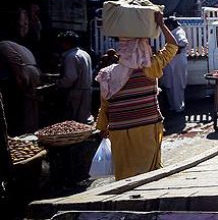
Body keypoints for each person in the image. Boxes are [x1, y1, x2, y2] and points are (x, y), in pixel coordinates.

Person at [95, 11, 178, 180]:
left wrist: (103, 128)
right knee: (149, 176)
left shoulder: (107, 74)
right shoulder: (151, 67)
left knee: (125, 175)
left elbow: (104, 107)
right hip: (147, 129)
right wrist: (161, 24)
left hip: (119, 132)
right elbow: (172, 46)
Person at [0, 40, 41, 135]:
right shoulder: (21, 47)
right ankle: (31, 131)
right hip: (33, 72)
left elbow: (14, 59)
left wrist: (19, 79)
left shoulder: (2, 45)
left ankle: (24, 134)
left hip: (25, 73)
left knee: (25, 105)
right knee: (31, 105)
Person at [57, 31, 93, 124]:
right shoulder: (84, 54)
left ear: (66, 43)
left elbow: (70, 78)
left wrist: (59, 84)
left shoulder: (71, 57)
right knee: (83, 119)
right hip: (87, 91)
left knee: (73, 121)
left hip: (76, 92)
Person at [160, 17, 188, 114]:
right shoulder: (173, 32)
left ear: (171, 25)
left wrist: (171, 52)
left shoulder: (178, 32)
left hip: (178, 62)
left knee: (177, 85)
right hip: (173, 62)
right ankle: (173, 106)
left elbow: (183, 43)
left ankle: (179, 107)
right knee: (170, 85)